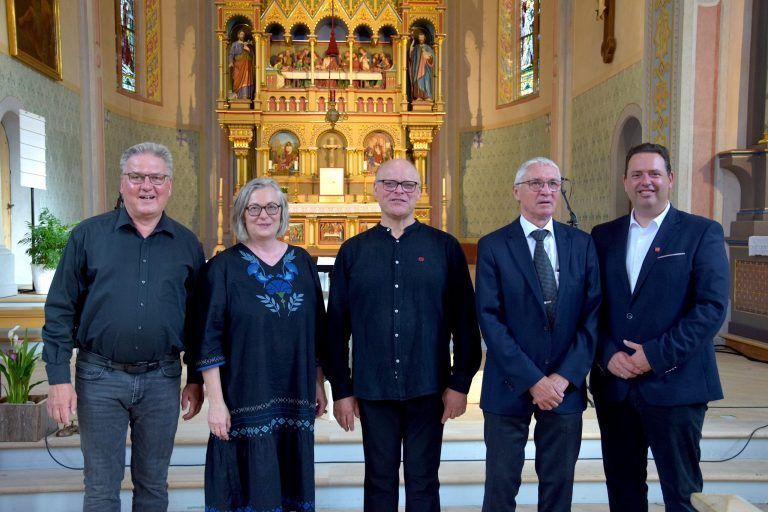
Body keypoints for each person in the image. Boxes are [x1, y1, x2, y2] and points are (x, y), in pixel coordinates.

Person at [42, 142, 205, 511]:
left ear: (169, 185)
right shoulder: (88, 236)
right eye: (136, 177)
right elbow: (59, 309)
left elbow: (198, 319)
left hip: (162, 379)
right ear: (122, 182)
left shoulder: (187, 245)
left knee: (153, 487)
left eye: (156, 177)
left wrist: (194, 378)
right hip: (99, 377)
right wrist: (57, 379)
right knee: (100, 488)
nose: (146, 186)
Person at [325, 159, 482, 512]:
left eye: (408, 185)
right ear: (376, 189)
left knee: (424, 481)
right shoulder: (353, 251)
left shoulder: (445, 248)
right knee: (378, 481)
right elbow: (336, 328)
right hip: (373, 388)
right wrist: (342, 390)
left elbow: (465, 323)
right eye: (391, 183)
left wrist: (460, 384)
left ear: (419, 192)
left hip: (429, 387)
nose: (399, 191)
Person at [590, 143, 730, 511]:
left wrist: (652, 355)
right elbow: (591, 307)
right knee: (623, 490)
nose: (645, 182)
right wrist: (608, 354)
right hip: (616, 386)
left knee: (681, 493)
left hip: (676, 384)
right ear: (625, 182)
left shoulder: (701, 232)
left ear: (669, 179)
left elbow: (711, 307)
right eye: (637, 174)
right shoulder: (603, 236)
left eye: (654, 174)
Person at [194, 178, 327, 512]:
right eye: (254, 208)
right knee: (245, 489)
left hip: (294, 392)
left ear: (282, 213)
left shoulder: (303, 262)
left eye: (272, 207)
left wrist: (318, 383)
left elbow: (317, 329)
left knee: (290, 487)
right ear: (242, 213)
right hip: (244, 394)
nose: (264, 215)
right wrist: (216, 402)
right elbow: (208, 336)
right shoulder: (222, 267)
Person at [475, 157, 601, 511]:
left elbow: (592, 316)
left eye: (553, 183)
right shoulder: (494, 246)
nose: (546, 190)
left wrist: (563, 378)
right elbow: (490, 319)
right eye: (536, 183)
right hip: (509, 385)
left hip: (565, 388)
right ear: (517, 191)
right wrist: (534, 380)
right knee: (500, 485)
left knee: (559, 486)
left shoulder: (582, 244)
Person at [229, 29, 254, 99]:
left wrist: (248, 49)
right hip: (238, 65)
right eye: (241, 34)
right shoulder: (234, 44)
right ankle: (237, 95)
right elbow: (231, 54)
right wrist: (231, 62)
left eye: (243, 34)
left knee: (246, 78)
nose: (242, 36)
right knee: (237, 79)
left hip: (246, 65)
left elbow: (252, 56)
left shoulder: (246, 44)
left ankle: (244, 96)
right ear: (238, 35)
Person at [409, 30, 434, 100]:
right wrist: (411, 50)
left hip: (426, 69)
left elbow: (433, 58)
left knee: (426, 81)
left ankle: (427, 96)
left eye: (422, 38)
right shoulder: (416, 47)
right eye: (420, 38)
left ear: (424, 38)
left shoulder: (428, 48)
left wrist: (428, 57)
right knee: (418, 80)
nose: (421, 40)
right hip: (417, 68)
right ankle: (419, 96)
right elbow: (412, 57)